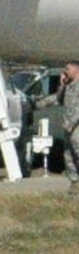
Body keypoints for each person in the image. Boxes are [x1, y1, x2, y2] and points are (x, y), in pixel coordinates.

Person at [58, 61, 79, 190]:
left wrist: (72, 124)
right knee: (69, 155)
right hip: (68, 127)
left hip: (76, 127)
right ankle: (75, 182)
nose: (65, 72)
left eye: (68, 69)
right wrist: (62, 85)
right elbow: (59, 99)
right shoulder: (69, 86)